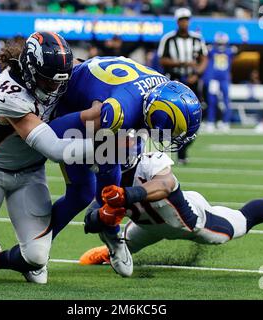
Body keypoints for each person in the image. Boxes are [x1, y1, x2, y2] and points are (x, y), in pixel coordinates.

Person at [0, 32, 94, 284]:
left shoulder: (60, 72)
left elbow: (91, 71)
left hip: (30, 174)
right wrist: (113, 145)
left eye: (60, 80)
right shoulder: (8, 91)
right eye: (48, 81)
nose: (56, 87)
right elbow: (55, 150)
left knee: (36, 257)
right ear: (32, 69)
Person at [46, 56, 202, 277]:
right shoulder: (121, 110)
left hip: (111, 96)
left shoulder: (158, 91)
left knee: (120, 160)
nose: (170, 137)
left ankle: (110, 230)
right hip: (73, 104)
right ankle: (41, 248)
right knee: (83, 192)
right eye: (170, 130)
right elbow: (102, 140)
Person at [79, 152, 263, 277]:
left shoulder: (150, 161)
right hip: (147, 225)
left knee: (239, 224)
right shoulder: (105, 174)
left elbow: (165, 184)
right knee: (125, 239)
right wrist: (100, 218)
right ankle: (111, 249)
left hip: (189, 220)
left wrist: (126, 195)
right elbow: (91, 215)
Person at [157, 7, 208, 164]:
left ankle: (182, 147)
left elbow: (204, 58)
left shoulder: (197, 39)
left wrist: (197, 74)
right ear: (177, 22)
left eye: (187, 20)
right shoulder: (169, 39)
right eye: (182, 20)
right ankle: (166, 150)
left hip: (192, 82)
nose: (185, 23)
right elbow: (162, 60)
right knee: (170, 114)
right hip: (174, 81)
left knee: (197, 115)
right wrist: (182, 63)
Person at [206, 32, 237, 133]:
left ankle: (225, 122)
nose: (221, 46)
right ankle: (211, 121)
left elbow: (241, 48)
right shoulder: (212, 51)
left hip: (224, 79)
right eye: (219, 43)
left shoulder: (229, 51)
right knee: (212, 101)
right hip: (214, 79)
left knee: (226, 101)